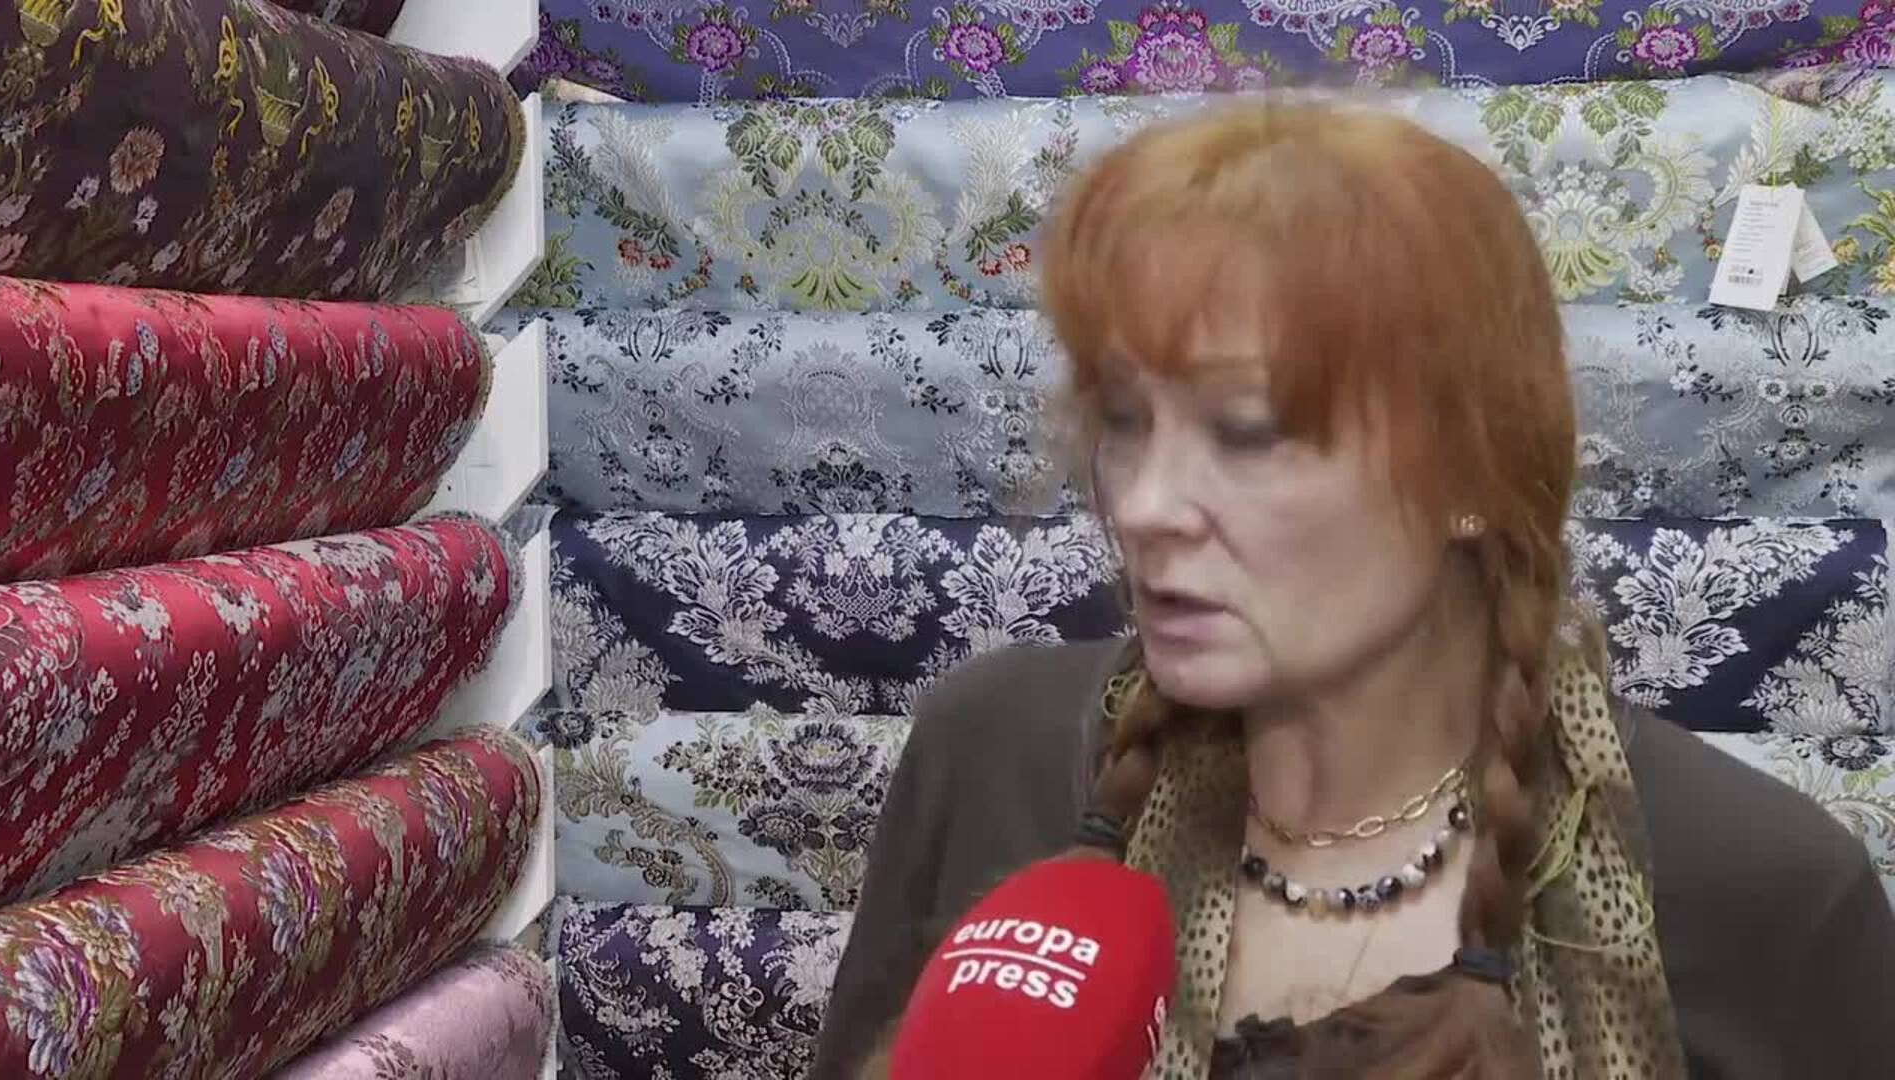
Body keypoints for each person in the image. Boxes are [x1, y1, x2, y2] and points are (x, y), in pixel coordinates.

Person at [809, 101, 1895, 1079]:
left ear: (1468, 471)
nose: (1141, 504)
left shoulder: (1760, 888)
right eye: (1126, 421)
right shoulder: (990, 752)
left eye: (1249, 432)